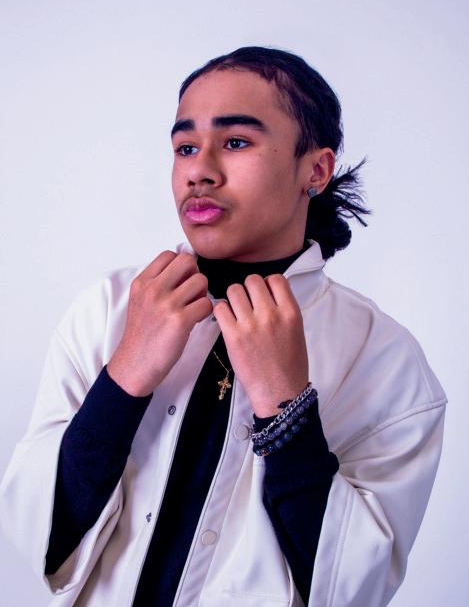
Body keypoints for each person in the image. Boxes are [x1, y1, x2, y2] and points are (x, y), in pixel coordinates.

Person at [0, 46, 447, 607]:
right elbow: (39, 533)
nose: (199, 171)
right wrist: (127, 373)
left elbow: (356, 586)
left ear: (316, 169)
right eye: (185, 147)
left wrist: (286, 408)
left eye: (236, 142)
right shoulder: (108, 308)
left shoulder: (385, 359)